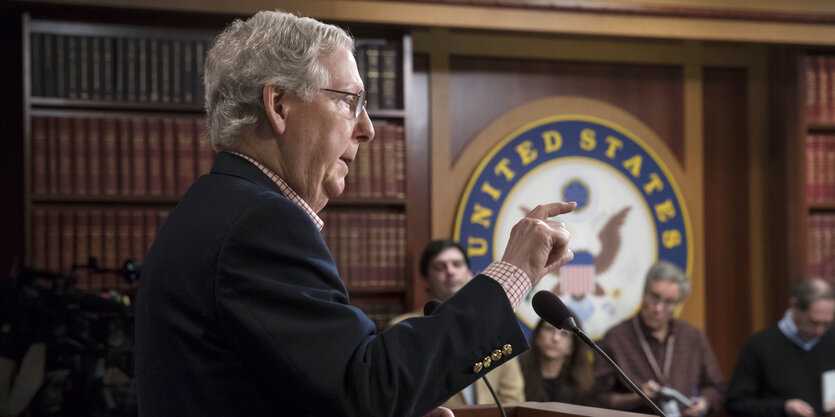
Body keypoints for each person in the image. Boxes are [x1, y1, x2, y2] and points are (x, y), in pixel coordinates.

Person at [134, 10, 576, 417]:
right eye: (350, 101)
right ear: (279, 104)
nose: (366, 129)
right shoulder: (259, 224)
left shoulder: (211, 207)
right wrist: (513, 273)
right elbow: (366, 389)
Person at [388, 239, 526, 408]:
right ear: (426, 280)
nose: (450, 271)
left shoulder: (494, 326)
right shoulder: (403, 327)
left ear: (469, 273)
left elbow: (513, 397)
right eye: (440, 267)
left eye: (457, 264)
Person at [593, 261, 725, 417]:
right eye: (654, 298)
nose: (658, 308)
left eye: (669, 302)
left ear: (678, 304)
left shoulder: (693, 336)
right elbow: (598, 398)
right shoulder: (616, 338)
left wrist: (705, 402)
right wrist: (637, 396)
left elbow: (717, 387)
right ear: (644, 293)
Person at [725, 277, 835, 417]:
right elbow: (736, 403)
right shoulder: (761, 345)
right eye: (814, 322)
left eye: (827, 324)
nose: (820, 331)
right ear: (794, 305)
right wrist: (783, 408)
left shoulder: (831, 339)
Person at [520, 318, 594, 405]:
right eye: (549, 329)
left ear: (572, 347)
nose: (555, 338)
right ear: (537, 336)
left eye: (564, 334)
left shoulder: (581, 385)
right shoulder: (518, 374)